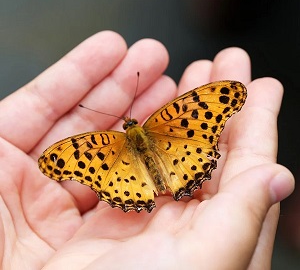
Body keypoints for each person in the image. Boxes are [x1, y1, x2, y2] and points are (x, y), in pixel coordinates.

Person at [0, 31, 294, 269]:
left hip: (128, 180)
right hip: (181, 156)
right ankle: (181, 180)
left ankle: (150, 192)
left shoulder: (99, 145)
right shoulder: (167, 118)